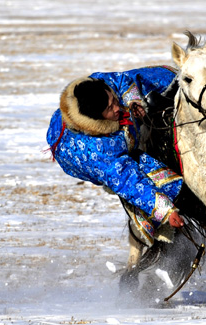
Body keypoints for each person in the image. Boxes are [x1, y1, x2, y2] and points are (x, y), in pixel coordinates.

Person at [46, 66, 185, 247]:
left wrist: (134, 101)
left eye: (113, 100)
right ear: (97, 118)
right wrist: (166, 211)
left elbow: (119, 80)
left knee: (157, 81)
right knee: (140, 170)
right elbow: (129, 182)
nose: (117, 108)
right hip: (76, 155)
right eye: (110, 109)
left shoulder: (96, 85)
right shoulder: (98, 153)